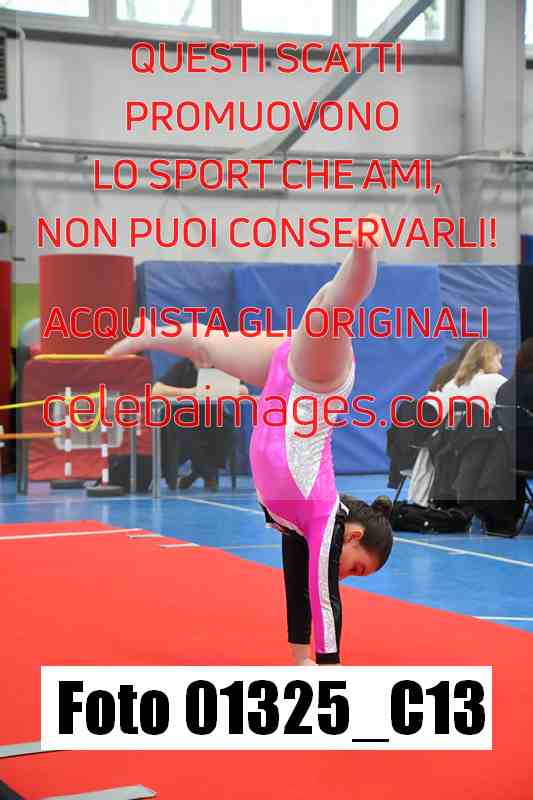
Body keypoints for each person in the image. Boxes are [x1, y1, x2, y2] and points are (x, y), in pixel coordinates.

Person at [106, 217, 393, 665]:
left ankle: (150, 331)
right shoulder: (321, 515)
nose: (347, 575)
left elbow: (297, 589)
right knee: (333, 307)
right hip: (318, 383)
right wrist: (331, 672)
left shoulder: (295, 524)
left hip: (283, 371)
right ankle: (364, 248)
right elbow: (323, 596)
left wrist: (302, 661)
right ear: (353, 535)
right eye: (357, 566)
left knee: (206, 348)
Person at [153, 358, 248, 491]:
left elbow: (243, 390)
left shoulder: (221, 367)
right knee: (187, 431)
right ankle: (208, 473)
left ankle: (199, 472)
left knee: (228, 430)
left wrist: (216, 390)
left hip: (211, 415)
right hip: (182, 414)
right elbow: (156, 390)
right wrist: (190, 392)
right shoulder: (182, 366)